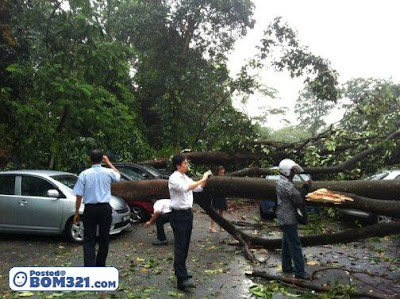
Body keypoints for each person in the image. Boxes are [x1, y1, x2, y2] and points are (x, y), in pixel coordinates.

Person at [168, 153, 212, 291]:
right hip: (178, 215)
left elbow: (197, 188)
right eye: (185, 163)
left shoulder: (185, 177)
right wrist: (202, 178)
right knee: (180, 245)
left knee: (185, 245)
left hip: (187, 213)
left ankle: (181, 272)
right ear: (178, 165)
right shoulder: (174, 178)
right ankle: (181, 280)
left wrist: (205, 179)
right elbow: (185, 188)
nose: (187, 165)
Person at [72, 149, 120, 267]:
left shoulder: (84, 174)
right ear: (102, 159)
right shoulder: (108, 172)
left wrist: (77, 212)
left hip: (90, 209)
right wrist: (108, 163)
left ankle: (89, 266)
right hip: (104, 209)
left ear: (89, 159)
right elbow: (118, 177)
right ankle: (100, 265)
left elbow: (79, 195)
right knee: (104, 238)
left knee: (89, 238)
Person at [275, 158, 311, 280]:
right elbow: (297, 198)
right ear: (286, 171)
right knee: (295, 244)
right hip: (288, 218)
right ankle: (300, 272)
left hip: (284, 217)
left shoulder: (283, 181)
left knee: (286, 242)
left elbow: (295, 193)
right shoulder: (285, 184)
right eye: (292, 171)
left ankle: (286, 267)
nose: (294, 173)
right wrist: (305, 188)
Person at [210, 165, 227, 233]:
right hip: (216, 196)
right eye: (221, 172)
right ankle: (212, 226)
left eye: (223, 172)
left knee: (221, 212)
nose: (222, 174)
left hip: (222, 196)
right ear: (218, 172)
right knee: (214, 212)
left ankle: (221, 226)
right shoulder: (215, 179)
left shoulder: (224, 179)